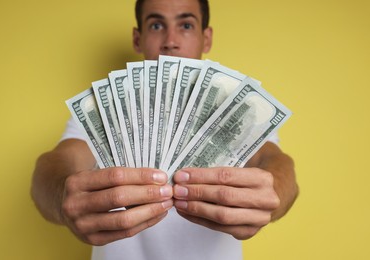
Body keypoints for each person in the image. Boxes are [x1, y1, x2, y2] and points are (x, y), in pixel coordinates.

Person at [31, 0, 298, 259]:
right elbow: (56, 164)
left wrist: (273, 194)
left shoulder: (232, 108)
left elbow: (274, 161)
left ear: (206, 38)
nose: (171, 40)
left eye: (186, 25)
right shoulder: (105, 107)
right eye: (157, 25)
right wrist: (62, 197)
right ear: (138, 38)